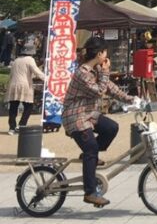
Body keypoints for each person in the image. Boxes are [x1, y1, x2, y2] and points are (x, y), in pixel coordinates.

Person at [62, 36, 136, 207]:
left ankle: (90, 157)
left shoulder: (95, 70)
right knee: (92, 148)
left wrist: (131, 100)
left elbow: (111, 88)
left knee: (111, 128)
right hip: (76, 117)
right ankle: (90, 192)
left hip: (89, 114)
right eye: (105, 52)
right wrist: (104, 72)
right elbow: (99, 91)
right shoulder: (83, 73)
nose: (106, 56)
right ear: (99, 53)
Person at [6, 44, 45, 135]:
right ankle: (21, 125)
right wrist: (47, 79)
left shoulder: (16, 60)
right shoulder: (30, 60)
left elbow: (12, 74)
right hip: (25, 85)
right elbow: (37, 72)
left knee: (13, 107)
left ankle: (12, 128)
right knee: (28, 106)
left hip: (13, 84)